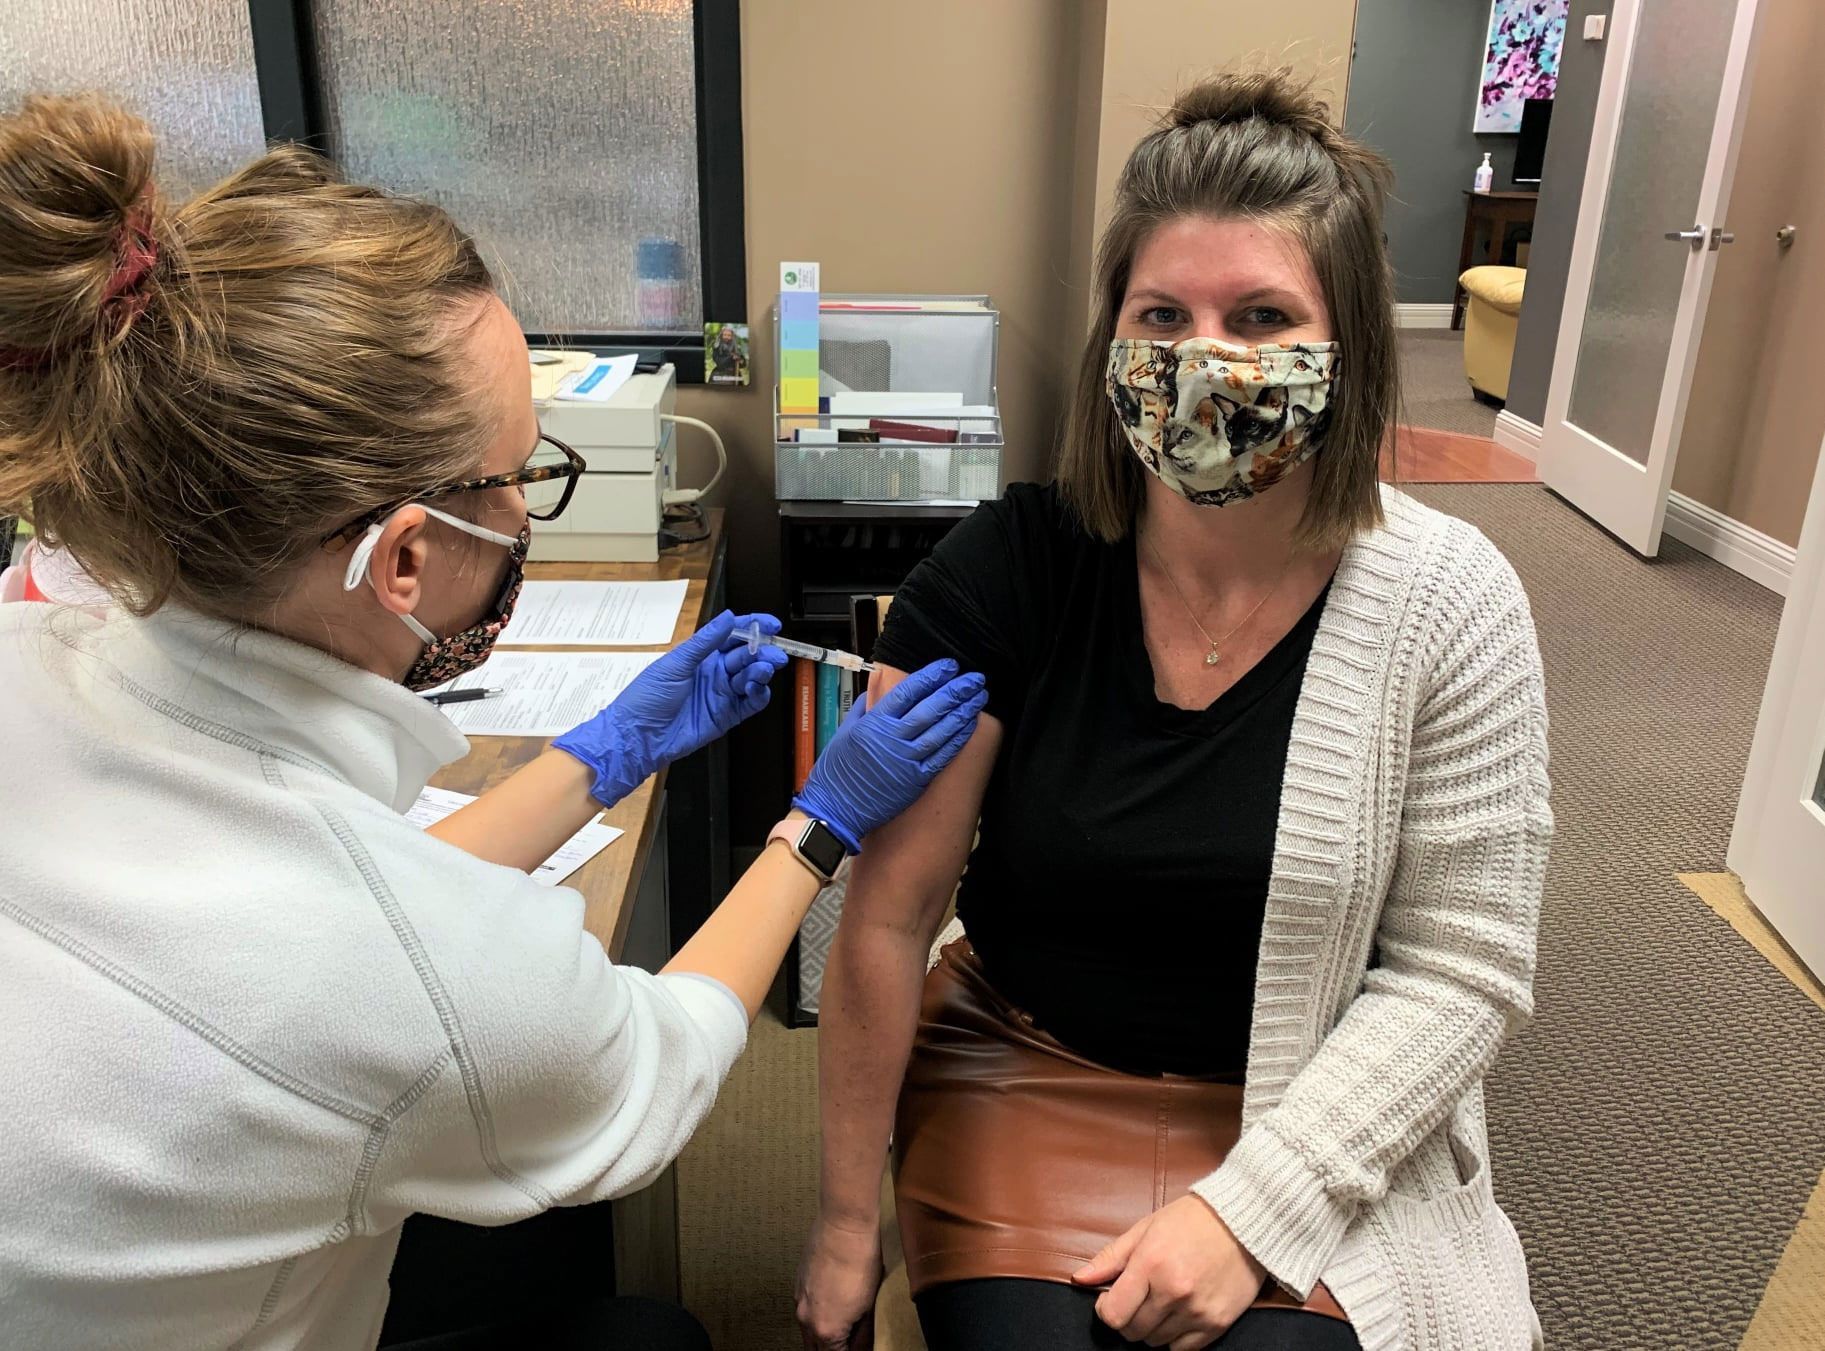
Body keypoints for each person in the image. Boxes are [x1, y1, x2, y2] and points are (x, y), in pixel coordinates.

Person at [0, 95, 987, 1351]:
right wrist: (817, 823)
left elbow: (345, 902)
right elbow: (655, 1058)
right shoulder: (396, 963)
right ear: (400, 559)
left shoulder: (36, 655)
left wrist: (603, 756)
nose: (526, 512)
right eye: (520, 476)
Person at [797, 71, 1551, 1351]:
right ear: (1113, 341)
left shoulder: (1453, 601)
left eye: (1262, 316)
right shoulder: (1007, 570)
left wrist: (1253, 1210)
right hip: (1027, 1067)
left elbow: (1460, 973)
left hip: (1308, 1103)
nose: (1207, 358)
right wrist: (838, 1224)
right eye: (1165, 314)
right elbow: (889, 916)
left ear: (1348, 346)